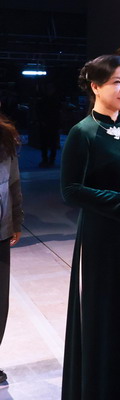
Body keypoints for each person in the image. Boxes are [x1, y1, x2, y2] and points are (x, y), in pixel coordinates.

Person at [61, 55, 120, 399]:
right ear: (96, 87)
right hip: (101, 238)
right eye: (116, 82)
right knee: (103, 315)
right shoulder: (83, 132)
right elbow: (71, 190)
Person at [0, 112, 23, 385]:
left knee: (0, 305)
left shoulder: (5, 138)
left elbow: (14, 183)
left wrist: (17, 220)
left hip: (1, 231)